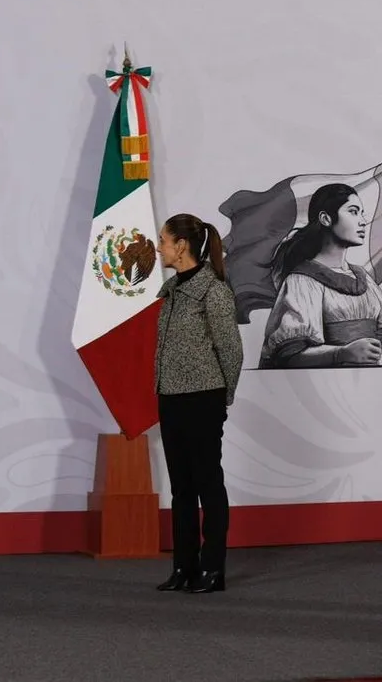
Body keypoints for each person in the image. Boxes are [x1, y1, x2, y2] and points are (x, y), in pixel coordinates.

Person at [153, 213, 244, 594]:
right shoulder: (172, 290)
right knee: (181, 488)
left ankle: (212, 568)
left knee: (209, 483)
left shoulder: (213, 291)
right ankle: (184, 566)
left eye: (163, 240)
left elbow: (231, 351)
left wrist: (223, 397)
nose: (159, 247)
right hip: (171, 398)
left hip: (203, 400)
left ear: (181, 246)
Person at [258, 183, 382, 369]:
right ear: (325, 218)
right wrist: (342, 353)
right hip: (326, 388)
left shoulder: (363, 278)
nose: (363, 221)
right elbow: (289, 355)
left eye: (362, 212)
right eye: (353, 211)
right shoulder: (302, 281)